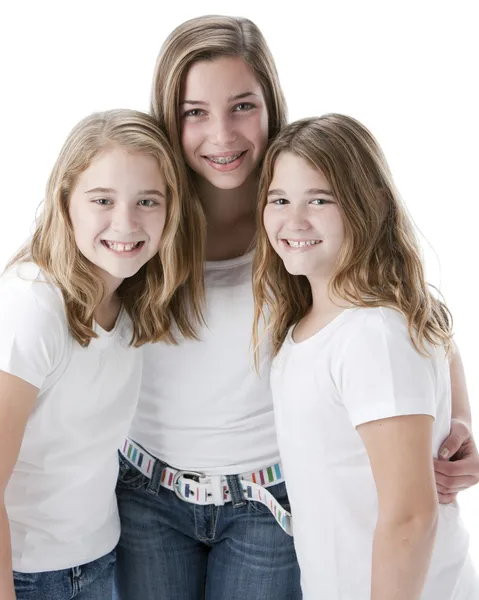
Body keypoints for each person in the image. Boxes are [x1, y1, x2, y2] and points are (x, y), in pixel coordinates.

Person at [114, 15, 479, 600]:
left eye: (242, 106)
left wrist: (456, 421)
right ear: (169, 116)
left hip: (269, 506)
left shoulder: (303, 218)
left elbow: (413, 315)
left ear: (271, 105)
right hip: (149, 492)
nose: (222, 135)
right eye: (195, 112)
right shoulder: (140, 220)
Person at [253, 113, 479, 599]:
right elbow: (445, 342)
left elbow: (411, 518)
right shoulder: (324, 322)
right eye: (279, 200)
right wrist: (458, 416)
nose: (294, 221)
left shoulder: (372, 332)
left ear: (366, 205)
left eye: (319, 200)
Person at [0, 109, 202, 600]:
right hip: (27, 576)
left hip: (98, 562)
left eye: (147, 201)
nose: (126, 223)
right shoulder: (34, 306)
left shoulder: (132, 302)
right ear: (65, 200)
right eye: (102, 200)